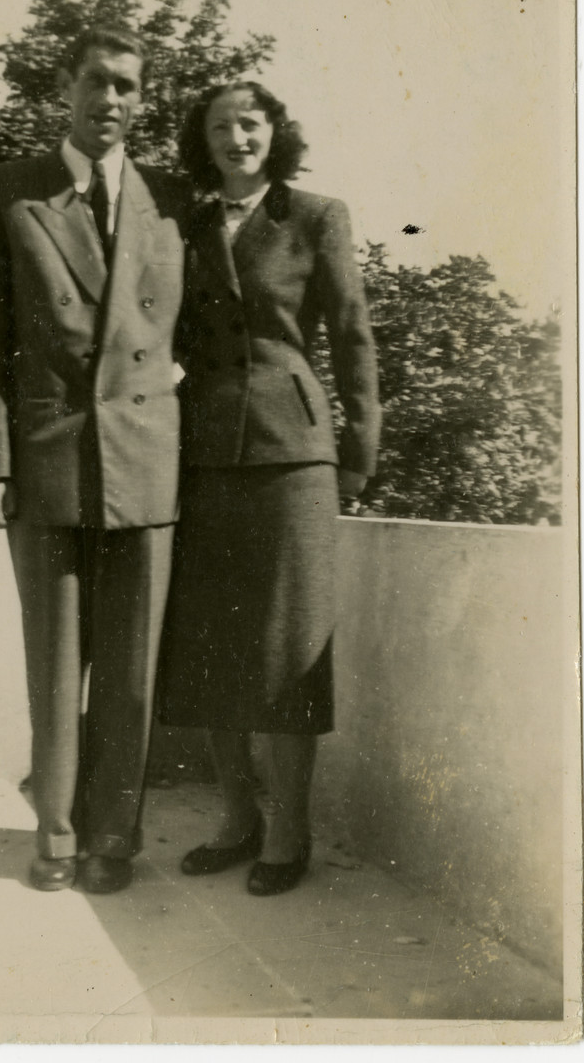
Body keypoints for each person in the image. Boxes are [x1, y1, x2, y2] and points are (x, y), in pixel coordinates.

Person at [0, 26, 189, 894]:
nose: (112, 101)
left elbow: (198, 318)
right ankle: (55, 839)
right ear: (66, 84)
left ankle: (112, 841)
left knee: (130, 672)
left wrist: (174, 374)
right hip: (49, 455)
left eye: (129, 86)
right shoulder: (8, 190)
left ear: (143, 98)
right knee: (55, 665)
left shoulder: (170, 198)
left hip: (145, 458)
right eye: (97, 82)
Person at [158, 80, 381, 896]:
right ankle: (236, 820)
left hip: (294, 453)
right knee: (212, 645)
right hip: (202, 451)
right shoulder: (180, 222)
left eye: (249, 124)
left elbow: (352, 332)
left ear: (273, 133)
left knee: (286, 646)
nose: (236, 138)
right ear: (204, 140)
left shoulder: (317, 216)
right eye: (219, 126)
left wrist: (360, 449)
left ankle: (291, 828)